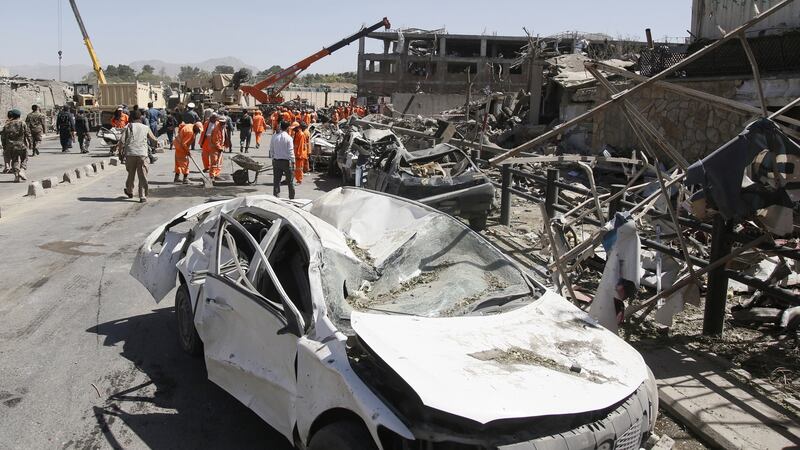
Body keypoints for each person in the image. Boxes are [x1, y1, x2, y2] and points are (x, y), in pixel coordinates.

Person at [118, 109, 157, 202]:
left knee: (131, 173)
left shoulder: (129, 126)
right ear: (140, 117)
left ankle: (129, 191)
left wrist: (120, 153)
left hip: (130, 153)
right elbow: (154, 139)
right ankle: (142, 195)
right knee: (142, 175)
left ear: (131, 118)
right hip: (142, 154)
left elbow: (121, 142)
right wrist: (154, 146)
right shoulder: (145, 127)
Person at [1, 109, 31, 182]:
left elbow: (3, 137)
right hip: (21, 145)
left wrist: (4, 147)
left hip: (11, 146)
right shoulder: (22, 123)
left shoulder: (6, 125)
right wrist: (30, 143)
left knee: (14, 160)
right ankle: (22, 170)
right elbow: (27, 134)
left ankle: (17, 176)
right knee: (24, 158)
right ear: (19, 116)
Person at [270, 121, 295, 199]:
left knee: (276, 181)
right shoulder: (289, 138)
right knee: (290, 181)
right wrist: (293, 161)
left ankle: (276, 197)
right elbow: (291, 151)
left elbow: (271, 149)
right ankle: (291, 197)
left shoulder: (274, 137)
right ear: (287, 128)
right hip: (286, 162)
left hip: (276, 161)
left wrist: (273, 158)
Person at [199, 113, 226, 180]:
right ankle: (210, 173)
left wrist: (223, 146)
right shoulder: (212, 127)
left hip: (217, 145)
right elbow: (214, 139)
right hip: (210, 143)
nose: (223, 124)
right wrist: (201, 142)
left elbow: (223, 137)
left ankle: (216, 174)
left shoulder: (220, 126)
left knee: (218, 161)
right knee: (211, 159)